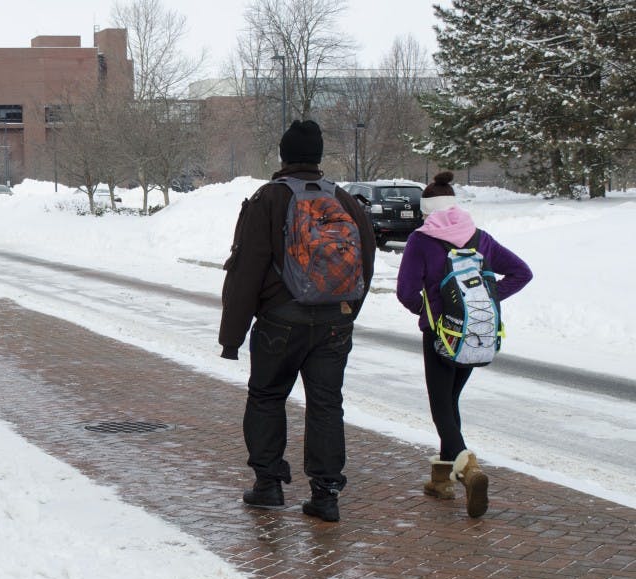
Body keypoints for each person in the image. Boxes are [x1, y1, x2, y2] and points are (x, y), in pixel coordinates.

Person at [219, 120, 376, 522]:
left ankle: (268, 485)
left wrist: (232, 337)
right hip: (334, 323)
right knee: (326, 405)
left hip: (280, 322)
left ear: (284, 156)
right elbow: (366, 263)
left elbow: (246, 269)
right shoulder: (344, 200)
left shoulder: (268, 199)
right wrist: (345, 313)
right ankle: (325, 495)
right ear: (319, 158)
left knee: (268, 396)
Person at [396, 171, 532, 518]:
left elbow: (406, 292)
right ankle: (441, 481)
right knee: (451, 401)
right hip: (477, 336)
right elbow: (521, 272)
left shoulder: (420, 241)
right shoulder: (480, 238)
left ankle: (469, 468)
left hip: (441, 336)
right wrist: (490, 297)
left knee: (441, 406)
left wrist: (429, 311)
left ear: (428, 210)